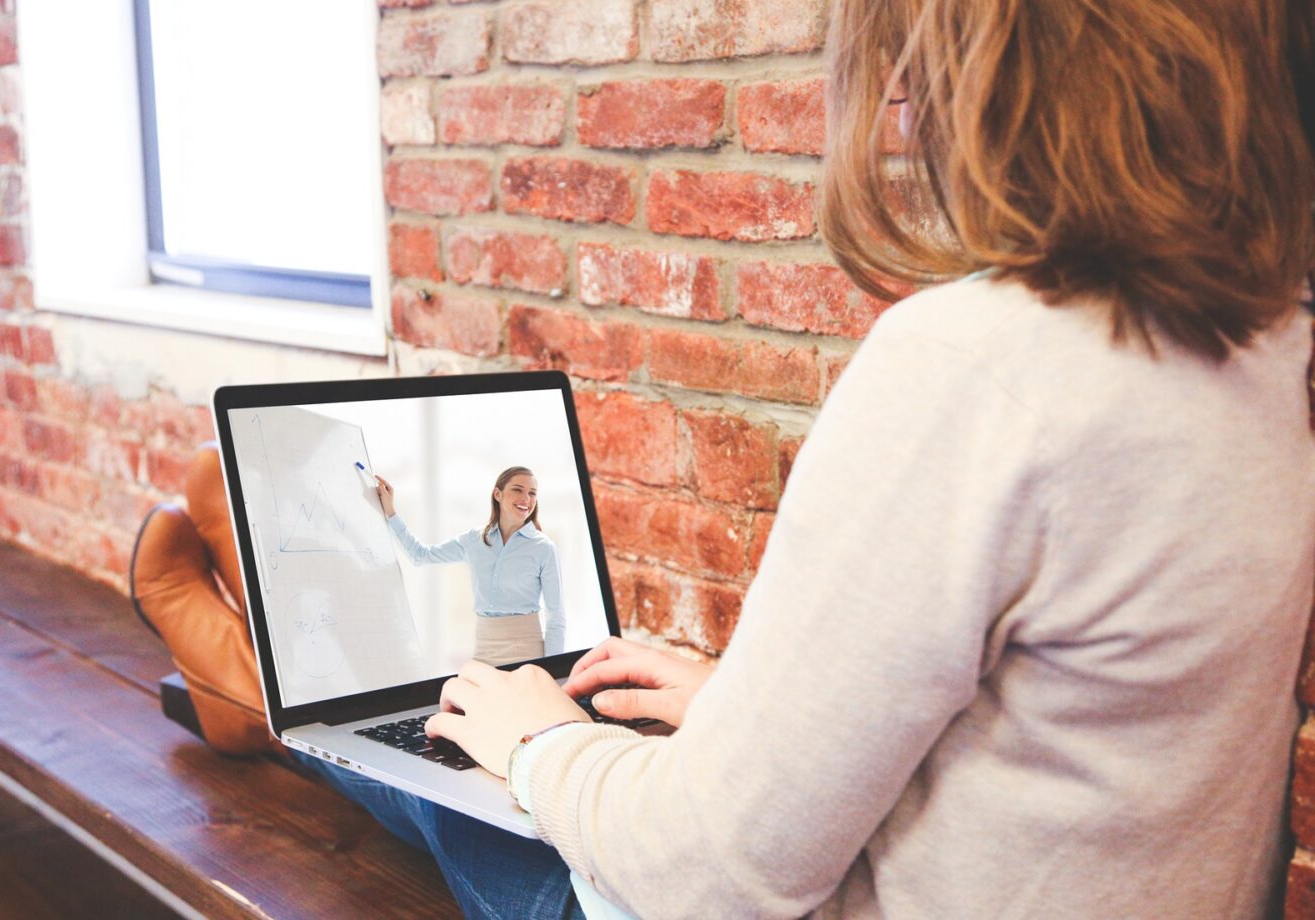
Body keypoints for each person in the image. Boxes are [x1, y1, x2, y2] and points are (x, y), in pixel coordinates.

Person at [131, 0, 1315, 915]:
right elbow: (1075, 734)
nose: (902, 103)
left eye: (918, 53)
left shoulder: (979, 366)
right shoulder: (1276, 343)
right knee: (480, 702)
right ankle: (273, 677)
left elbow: (714, 879)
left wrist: (541, 743)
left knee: (445, 759)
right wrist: (751, 718)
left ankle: (248, 683)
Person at [374, 466, 566, 666]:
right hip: (484, 649)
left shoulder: (544, 548)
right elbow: (420, 555)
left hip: (527, 651)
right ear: (497, 494)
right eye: (518, 490)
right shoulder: (474, 540)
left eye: (532, 493)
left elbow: (556, 617)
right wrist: (391, 512)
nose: (526, 499)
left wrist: (553, 669)